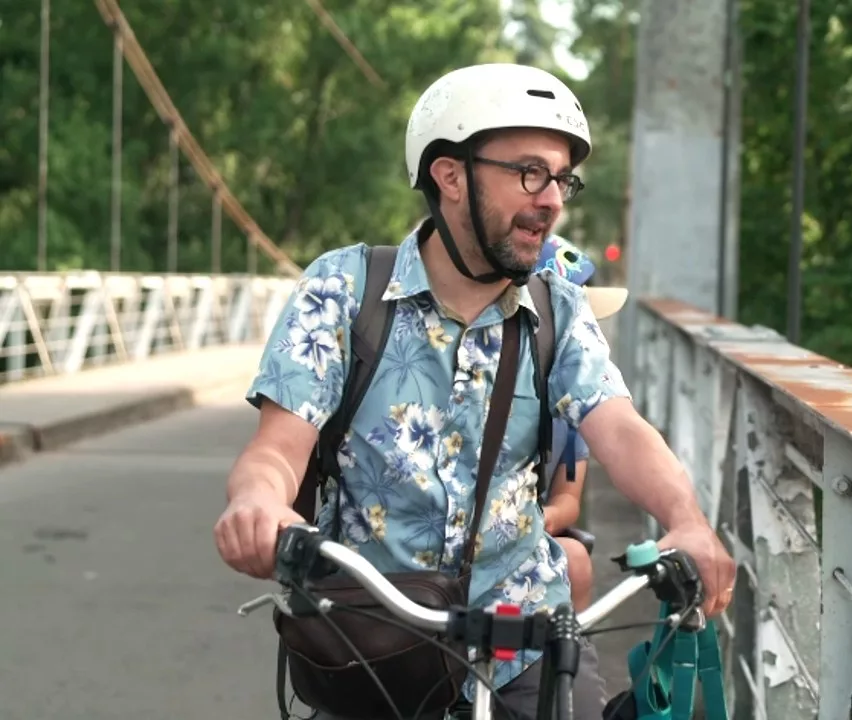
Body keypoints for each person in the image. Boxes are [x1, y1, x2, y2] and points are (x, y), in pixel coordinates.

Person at [212, 62, 734, 720]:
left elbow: (620, 427)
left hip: (526, 640)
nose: (552, 199)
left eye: (562, 179)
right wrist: (260, 501)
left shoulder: (561, 310)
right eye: (529, 173)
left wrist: (685, 519)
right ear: (450, 175)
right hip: (373, 639)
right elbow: (278, 450)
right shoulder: (345, 290)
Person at [532, 233, 630, 612]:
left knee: (575, 561)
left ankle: (568, 664)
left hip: (531, 529)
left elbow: (568, 496)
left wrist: (545, 519)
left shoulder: (573, 411)